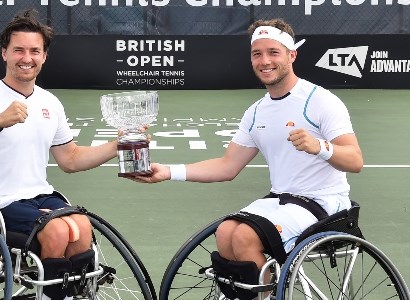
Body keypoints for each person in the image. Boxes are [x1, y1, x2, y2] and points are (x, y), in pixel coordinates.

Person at [130, 18, 364, 300]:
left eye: (273, 52)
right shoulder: (256, 112)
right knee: (226, 231)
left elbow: (355, 161)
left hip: (326, 203)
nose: (265, 61)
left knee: (243, 236)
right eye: (257, 54)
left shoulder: (321, 100)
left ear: (292, 55)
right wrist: (168, 171)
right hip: (281, 200)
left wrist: (320, 147)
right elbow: (228, 165)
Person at [0, 9, 120, 300]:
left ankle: (67, 294)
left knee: (80, 226)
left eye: (34, 51)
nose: (26, 58)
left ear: (44, 57)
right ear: (4, 53)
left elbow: (70, 159)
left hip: (38, 195)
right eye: (18, 50)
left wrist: (118, 146)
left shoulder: (50, 102)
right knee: (56, 231)